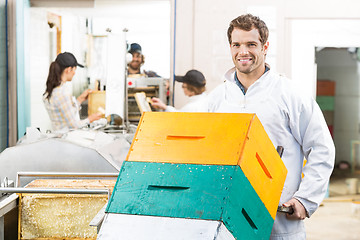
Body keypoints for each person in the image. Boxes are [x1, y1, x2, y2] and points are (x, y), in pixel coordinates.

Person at [207, 14, 335, 239]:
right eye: (236, 44)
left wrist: (305, 199)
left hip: (281, 220)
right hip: (228, 219)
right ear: (230, 47)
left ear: (265, 47)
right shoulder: (218, 98)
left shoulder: (289, 94)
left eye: (251, 44)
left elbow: (322, 148)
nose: (243, 51)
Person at [43, 52, 102, 131]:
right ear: (69, 69)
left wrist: (80, 99)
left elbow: (65, 112)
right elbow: (74, 125)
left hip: (58, 137)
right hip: (65, 139)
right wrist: (90, 119)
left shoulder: (54, 90)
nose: (74, 73)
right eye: (74, 70)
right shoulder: (62, 92)